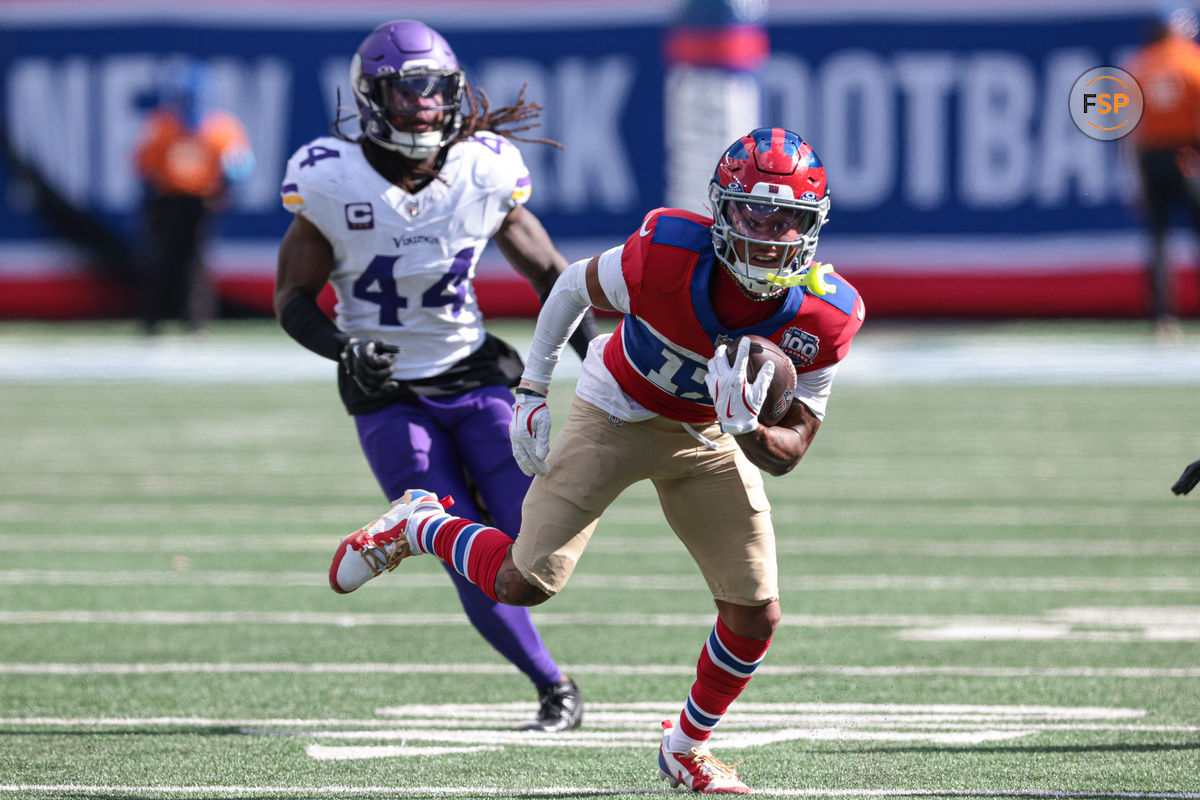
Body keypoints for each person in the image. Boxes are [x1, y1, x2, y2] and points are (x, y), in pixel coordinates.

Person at [328, 127, 865, 793]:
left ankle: (685, 748)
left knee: (756, 611)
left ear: (813, 226)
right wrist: (531, 388)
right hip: (614, 408)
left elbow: (792, 449)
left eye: (787, 219)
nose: (767, 234)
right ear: (721, 210)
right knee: (523, 582)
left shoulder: (827, 313)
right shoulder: (668, 251)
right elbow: (570, 288)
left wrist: (746, 427)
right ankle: (419, 524)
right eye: (753, 213)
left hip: (704, 438)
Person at [276, 20, 596, 732]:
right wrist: (341, 347)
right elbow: (290, 299)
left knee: (526, 547)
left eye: (436, 88)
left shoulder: (484, 166)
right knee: (466, 554)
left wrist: (602, 360)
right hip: (386, 391)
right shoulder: (329, 176)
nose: (424, 104)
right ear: (372, 98)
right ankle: (553, 685)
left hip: (474, 373)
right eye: (407, 88)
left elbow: (552, 275)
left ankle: (434, 535)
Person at [133, 59, 254, 335]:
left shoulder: (220, 128)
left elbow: (241, 165)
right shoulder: (162, 125)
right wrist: (148, 200)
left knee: (195, 262)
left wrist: (224, 188)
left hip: (201, 202)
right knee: (162, 260)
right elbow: (145, 165)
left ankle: (196, 323)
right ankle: (153, 321)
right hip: (168, 200)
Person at [1126, 5, 1200, 343]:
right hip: (1188, 156)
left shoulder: (1139, 66)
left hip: (1151, 156)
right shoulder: (1192, 62)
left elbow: (1130, 130)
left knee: (1157, 240)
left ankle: (1163, 321)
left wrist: (1135, 175)